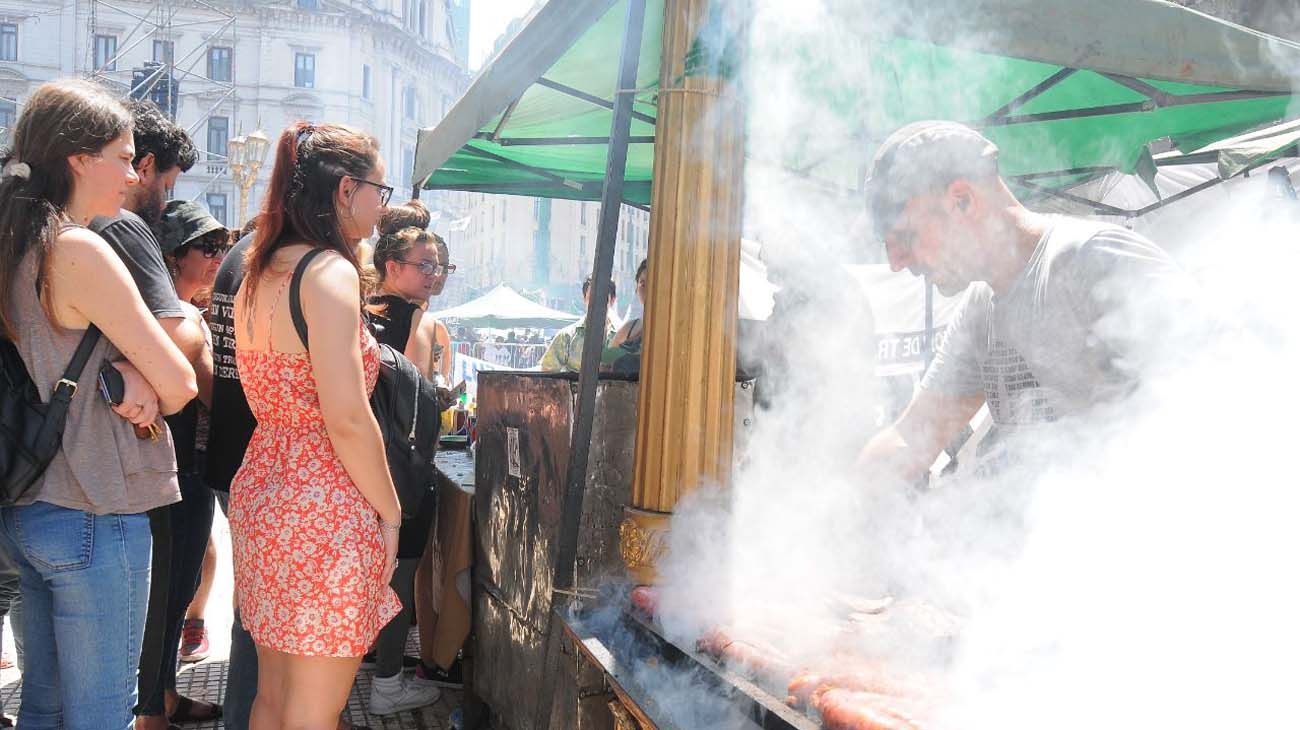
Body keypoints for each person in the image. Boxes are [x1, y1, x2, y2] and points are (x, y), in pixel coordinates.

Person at [0, 79, 197, 730]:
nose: (133, 172)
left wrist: (124, 369)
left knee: (44, 709)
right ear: (79, 159)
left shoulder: (15, 242)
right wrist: (139, 376)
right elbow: (179, 382)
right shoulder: (78, 248)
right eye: (121, 154)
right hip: (94, 505)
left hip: (30, 507)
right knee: (100, 716)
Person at [855, 120, 1193, 484]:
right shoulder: (981, 308)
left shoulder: (1094, 258)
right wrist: (841, 512)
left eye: (906, 236)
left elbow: (1222, 384)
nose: (895, 262)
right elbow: (913, 435)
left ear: (962, 199)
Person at [231, 121, 402, 730]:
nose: (383, 208)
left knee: (271, 697)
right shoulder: (330, 273)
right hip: (323, 502)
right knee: (313, 711)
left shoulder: (258, 270)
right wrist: (390, 511)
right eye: (380, 191)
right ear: (346, 189)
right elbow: (348, 417)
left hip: (263, 489)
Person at [91, 97, 219, 730]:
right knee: (154, 594)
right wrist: (172, 353)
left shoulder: (57, 226)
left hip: (102, 455)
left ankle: (156, 700)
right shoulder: (121, 227)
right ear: (141, 166)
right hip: (136, 453)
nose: (166, 200)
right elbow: (185, 346)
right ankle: (151, 711)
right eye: (167, 183)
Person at [133, 199, 225, 728]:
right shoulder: (182, 317)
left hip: (172, 467)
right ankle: (152, 710)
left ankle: (162, 696)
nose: (217, 257)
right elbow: (211, 395)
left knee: (170, 591)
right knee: (168, 594)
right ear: (174, 255)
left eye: (219, 245)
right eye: (205, 247)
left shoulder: (171, 310)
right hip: (178, 470)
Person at [361, 201, 447, 714]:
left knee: (367, 570)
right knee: (400, 575)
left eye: (439, 267)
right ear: (392, 266)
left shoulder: (358, 307)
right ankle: (388, 683)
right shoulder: (416, 318)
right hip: (399, 471)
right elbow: (418, 392)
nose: (434, 276)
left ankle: (368, 658)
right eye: (425, 265)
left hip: (358, 460)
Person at [539, 277, 617, 372]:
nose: (597, 303)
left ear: (612, 300)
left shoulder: (622, 339)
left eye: (602, 298)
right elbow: (547, 375)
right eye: (591, 297)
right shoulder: (566, 337)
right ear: (584, 299)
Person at [602, 259, 648, 374]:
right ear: (637, 288)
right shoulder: (627, 329)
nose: (648, 289)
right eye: (643, 283)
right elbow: (604, 367)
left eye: (655, 283)